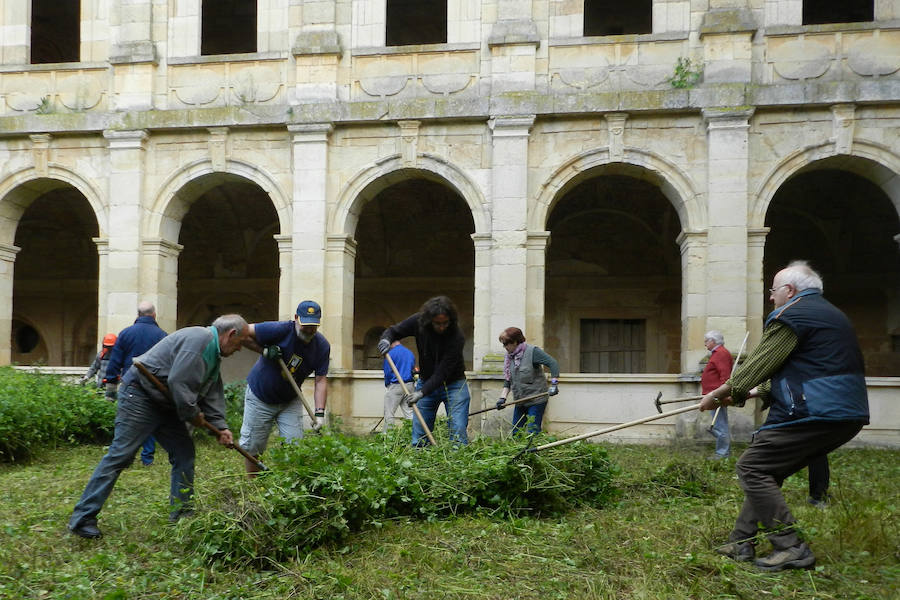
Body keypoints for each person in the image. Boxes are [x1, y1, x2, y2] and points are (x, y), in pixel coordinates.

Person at [701, 261, 868, 572]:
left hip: (814, 411)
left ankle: (790, 547)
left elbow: (763, 362)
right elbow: (801, 368)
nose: (770, 298)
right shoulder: (831, 315)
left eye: (773, 291)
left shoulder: (791, 315)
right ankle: (741, 542)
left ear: (789, 291)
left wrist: (723, 393)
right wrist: (753, 393)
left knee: (751, 467)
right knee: (767, 469)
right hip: (846, 412)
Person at [67, 314, 249, 539]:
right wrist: (193, 416)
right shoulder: (199, 340)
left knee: (184, 453)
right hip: (140, 396)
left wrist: (220, 426)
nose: (239, 349)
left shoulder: (213, 354)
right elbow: (179, 383)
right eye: (240, 343)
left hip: (166, 404)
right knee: (120, 455)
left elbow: (211, 392)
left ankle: (182, 515)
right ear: (231, 334)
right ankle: (83, 518)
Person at [238, 300, 330, 477]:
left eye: (313, 326)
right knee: (252, 447)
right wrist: (263, 350)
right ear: (296, 319)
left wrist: (319, 414)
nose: (309, 330)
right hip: (261, 396)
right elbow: (241, 331)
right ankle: (253, 486)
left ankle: (290, 486)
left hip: (290, 399)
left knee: (295, 446)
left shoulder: (321, 346)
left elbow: (321, 380)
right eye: (305, 326)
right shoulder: (279, 330)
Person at [378, 295, 470, 446]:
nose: (441, 327)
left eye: (445, 323)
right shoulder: (418, 322)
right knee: (420, 433)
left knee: (458, 429)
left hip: (454, 385)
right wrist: (386, 339)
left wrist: (421, 393)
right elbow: (394, 331)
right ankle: (419, 457)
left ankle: (457, 457)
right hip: (426, 380)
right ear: (429, 320)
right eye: (437, 323)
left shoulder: (456, 336)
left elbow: (443, 371)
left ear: (451, 320)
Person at [104, 301, 167, 466]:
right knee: (150, 420)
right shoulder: (162, 335)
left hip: (130, 385)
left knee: (126, 422)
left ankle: (125, 458)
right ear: (154, 315)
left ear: (138, 315)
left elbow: (115, 361)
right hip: (154, 386)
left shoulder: (126, 334)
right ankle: (148, 459)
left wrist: (110, 387)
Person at [495, 327, 560, 435]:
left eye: (506, 343)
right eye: (503, 344)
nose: (504, 347)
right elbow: (508, 380)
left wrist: (554, 384)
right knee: (516, 432)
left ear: (515, 342)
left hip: (536, 399)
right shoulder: (510, 358)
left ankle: (534, 450)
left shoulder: (532, 352)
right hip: (520, 401)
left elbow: (553, 363)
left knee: (532, 431)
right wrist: (502, 398)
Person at [701, 330, 733, 459]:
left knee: (720, 424)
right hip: (713, 394)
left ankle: (722, 454)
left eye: (706, 341)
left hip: (716, 395)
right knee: (720, 423)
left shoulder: (720, 354)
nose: (705, 344)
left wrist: (721, 394)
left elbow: (725, 376)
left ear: (713, 341)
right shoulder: (717, 353)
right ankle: (723, 452)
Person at [382, 340, 415, 432]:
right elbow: (413, 368)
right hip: (410, 385)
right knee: (409, 413)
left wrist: (387, 384)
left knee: (389, 412)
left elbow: (388, 372)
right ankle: (412, 435)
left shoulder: (390, 354)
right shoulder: (410, 353)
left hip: (396, 385)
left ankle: (388, 437)